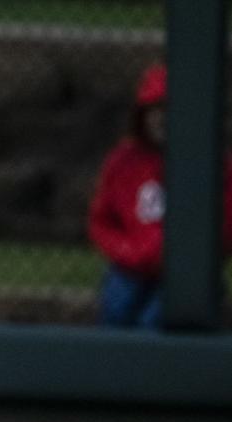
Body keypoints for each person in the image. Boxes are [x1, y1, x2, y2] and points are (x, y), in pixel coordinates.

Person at [88, 63, 232, 328]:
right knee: (117, 307)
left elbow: (226, 224)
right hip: (132, 267)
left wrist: (194, 257)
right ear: (142, 115)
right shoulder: (124, 161)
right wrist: (128, 251)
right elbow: (101, 222)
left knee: (154, 321)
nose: (162, 118)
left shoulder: (215, 164)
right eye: (155, 110)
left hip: (188, 274)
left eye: (169, 110)